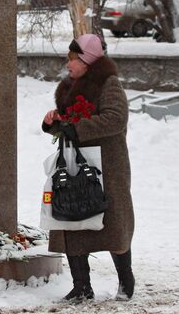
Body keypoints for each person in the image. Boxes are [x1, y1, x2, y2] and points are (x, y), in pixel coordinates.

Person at [41, 34, 135, 302]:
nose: (68, 64)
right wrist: (54, 122)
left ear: (86, 60)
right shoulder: (70, 86)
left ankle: (125, 279)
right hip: (74, 163)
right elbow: (68, 124)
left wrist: (77, 128)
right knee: (71, 218)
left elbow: (116, 119)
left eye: (72, 58)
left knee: (113, 222)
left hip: (108, 166)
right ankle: (82, 285)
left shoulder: (109, 85)